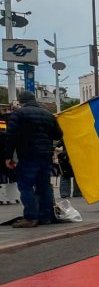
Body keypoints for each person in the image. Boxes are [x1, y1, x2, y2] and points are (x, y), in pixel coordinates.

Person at [3, 92, 63, 227]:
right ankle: (46, 217)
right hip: (46, 155)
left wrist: (8, 156)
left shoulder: (18, 114)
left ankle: (30, 217)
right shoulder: (48, 115)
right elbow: (58, 134)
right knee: (44, 186)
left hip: (27, 155)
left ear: (20, 101)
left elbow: (11, 136)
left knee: (25, 185)